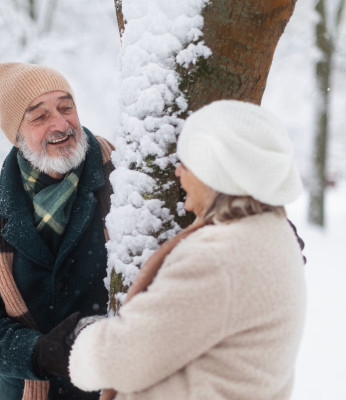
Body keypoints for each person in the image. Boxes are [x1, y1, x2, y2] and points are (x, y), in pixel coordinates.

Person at [67, 100, 307, 400]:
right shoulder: (270, 233)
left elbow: (124, 357)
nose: (178, 172)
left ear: (215, 173)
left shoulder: (219, 257)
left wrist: (81, 340)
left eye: (188, 162)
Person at [0, 62, 115, 400]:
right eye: (39, 117)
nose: (60, 123)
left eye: (66, 107)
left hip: (114, 386)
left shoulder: (124, 180)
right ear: (17, 135)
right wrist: (35, 353)